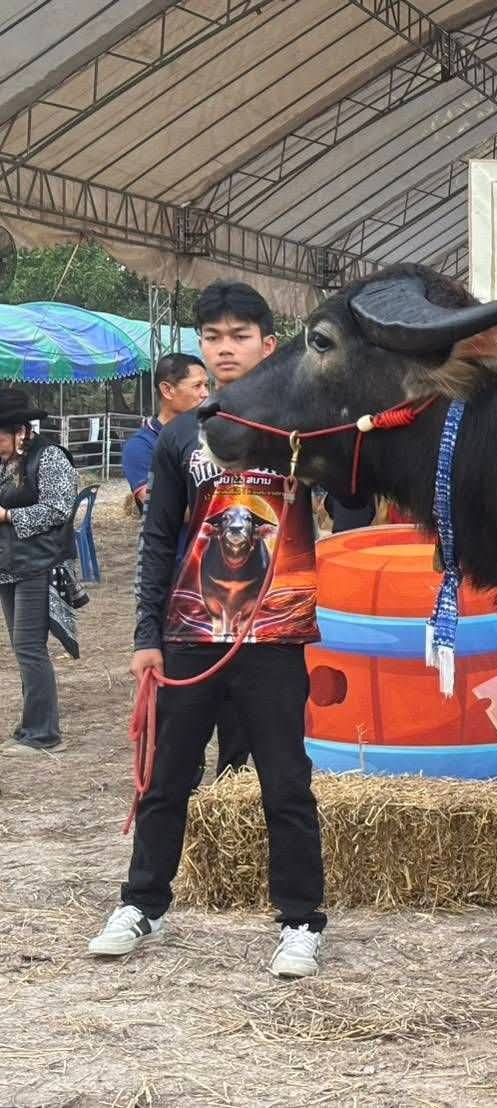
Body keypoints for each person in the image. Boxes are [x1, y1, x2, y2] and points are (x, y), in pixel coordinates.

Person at [89, 280, 328, 978]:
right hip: (191, 631)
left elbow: (352, 495)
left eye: (240, 336)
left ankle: (300, 921)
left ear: (268, 344)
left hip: (275, 633)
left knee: (286, 783)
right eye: (213, 337)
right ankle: (143, 904)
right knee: (166, 777)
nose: (226, 348)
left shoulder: (302, 427)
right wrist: (146, 637)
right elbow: (159, 538)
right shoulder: (178, 435)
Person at [0, 389, 80, 755]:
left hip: (38, 564)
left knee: (30, 648)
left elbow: (59, 508)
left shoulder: (49, 457)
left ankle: (43, 733)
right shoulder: (6, 461)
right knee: (23, 648)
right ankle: (32, 725)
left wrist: (8, 516)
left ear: (20, 431)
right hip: (8, 566)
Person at [122, 354, 209, 509]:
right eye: (197, 386)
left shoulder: (209, 436)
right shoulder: (141, 445)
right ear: (167, 390)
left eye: (206, 385)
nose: (206, 393)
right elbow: (160, 505)